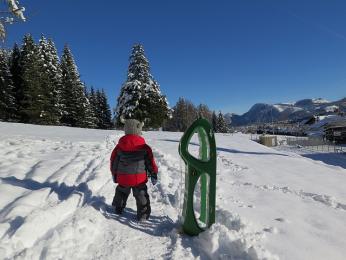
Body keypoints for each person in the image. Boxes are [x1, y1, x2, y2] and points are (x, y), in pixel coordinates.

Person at [110, 119, 158, 221]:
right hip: (139, 178)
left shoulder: (119, 147)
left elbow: (113, 161)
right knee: (141, 195)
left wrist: (114, 174)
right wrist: (153, 173)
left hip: (123, 177)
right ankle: (143, 215)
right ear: (139, 130)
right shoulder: (144, 147)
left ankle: (118, 208)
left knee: (121, 192)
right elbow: (150, 161)